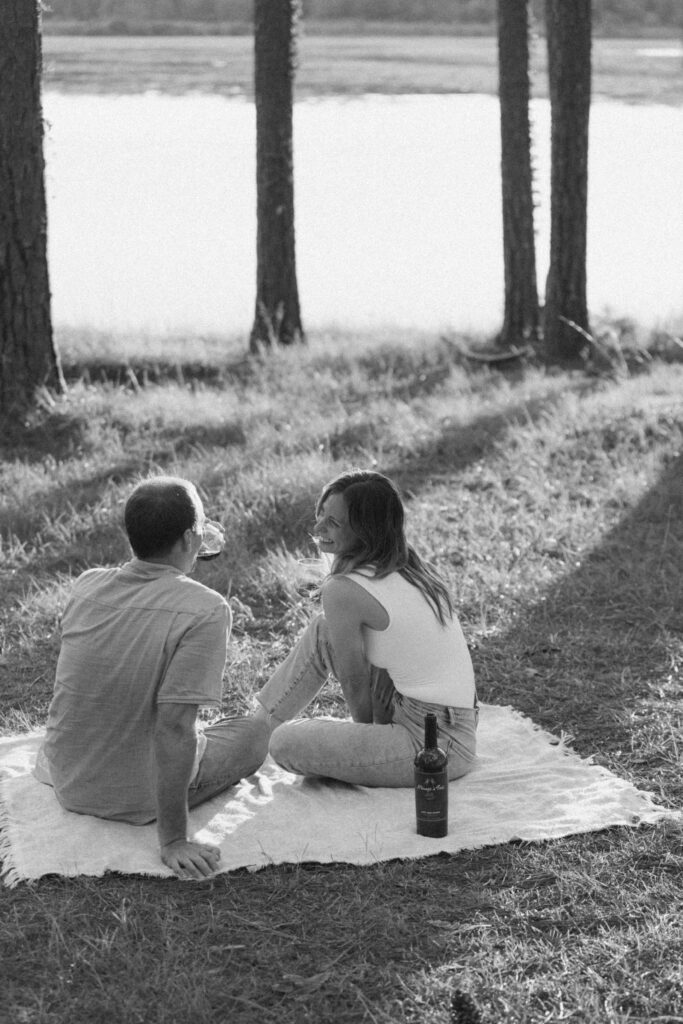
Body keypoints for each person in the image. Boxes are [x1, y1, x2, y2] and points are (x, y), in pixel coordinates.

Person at [33, 476, 269, 880]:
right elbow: (175, 726)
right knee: (254, 733)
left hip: (66, 777)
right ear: (191, 539)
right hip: (138, 796)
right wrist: (174, 839)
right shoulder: (206, 608)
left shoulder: (85, 584)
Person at [252, 470, 477, 786]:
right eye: (320, 515)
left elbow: (355, 680)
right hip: (426, 714)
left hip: (434, 744)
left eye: (334, 523)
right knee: (324, 629)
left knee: (284, 743)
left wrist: (363, 734)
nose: (317, 528)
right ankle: (255, 729)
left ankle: (256, 737)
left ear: (365, 530)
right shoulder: (409, 565)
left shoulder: (343, 589)